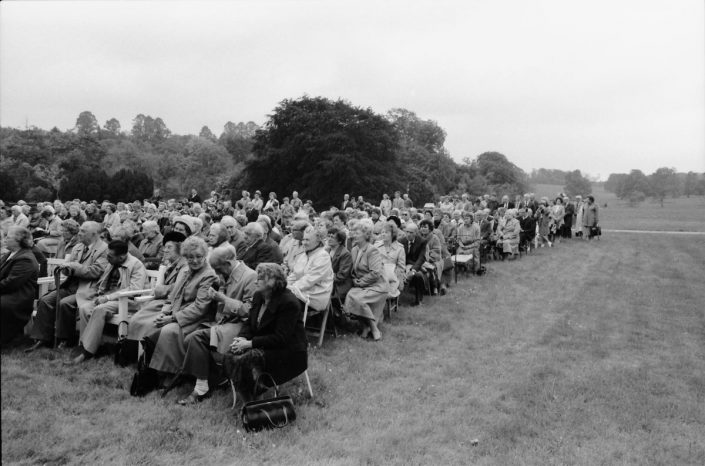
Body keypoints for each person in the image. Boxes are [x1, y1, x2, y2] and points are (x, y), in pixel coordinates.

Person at [177, 246, 257, 404]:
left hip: (241, 326)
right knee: (188, 335)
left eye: (218, 269)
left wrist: (223, 299)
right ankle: (211, 378)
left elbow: (249, 311)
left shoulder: (250, 276)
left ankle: (201, 387)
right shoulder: (226, 273)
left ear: (228, 263)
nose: (217, 274)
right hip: (223, 322)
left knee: (196, 338)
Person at [223, 263, 308, 403]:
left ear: (272, 281)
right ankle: (249, 400)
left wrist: (249, 344)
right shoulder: (258, 296)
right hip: (265, 343)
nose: (256, 281)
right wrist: (241, 339)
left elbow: (281, 338)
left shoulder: (289, 302)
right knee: (230, 354)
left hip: (288, 350)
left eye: (260, 278)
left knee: (247, 359)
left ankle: (255, 402)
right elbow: (249, 323)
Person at [26, 221, 109, 352]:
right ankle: (42, 338)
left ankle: (64, 339)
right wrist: (66, 268)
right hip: (71, 286)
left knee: (65, 303)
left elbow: (96, 271)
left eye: (82, 231)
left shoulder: (105, 249)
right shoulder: (78, 247)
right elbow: (68, 267)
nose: (79, 233)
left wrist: (74, 267)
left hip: (88, 289)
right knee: (45, 300)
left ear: (94, 234)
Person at [142, 236, 218, 377]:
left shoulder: (209, 275)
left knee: (169, 331)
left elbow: (200, 308)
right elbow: (175, 296)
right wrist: (165, 313)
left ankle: (172, 373)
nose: (194, 261)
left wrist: (172, 319)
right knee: (152, 325)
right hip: (179, 314)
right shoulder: (186, 272)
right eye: (189, 257)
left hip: (199, 319)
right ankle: (152, 369)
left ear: (205, 255)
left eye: (198, 256)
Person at [69, 240, 147, 364]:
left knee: (100, 310)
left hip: (127, 301)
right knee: (85, 308)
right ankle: (87, 345)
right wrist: (100, 294)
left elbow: (135, 289)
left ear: (121, 257)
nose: (107, 257)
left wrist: (107, 298)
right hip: (108, 299)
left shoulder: (136, 265)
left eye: (110, 256)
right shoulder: (113, 262)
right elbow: (104, 282)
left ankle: (87, 352)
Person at [127, 232, 188, 342]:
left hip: (170, 305)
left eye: (169, 247)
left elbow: (177, 288)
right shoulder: (171, 264)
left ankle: (141, 353)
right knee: (136, 319)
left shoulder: (184, 267)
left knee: (148, 323)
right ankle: (131, 350)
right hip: (160, 302)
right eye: (165, 247)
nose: (165, 250)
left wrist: (160, 289)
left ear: (180, 249)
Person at [343, 219, 387, 341]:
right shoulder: (354, 249)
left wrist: (360, 282)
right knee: (351, 296)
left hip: (377, 285)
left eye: (357, 232)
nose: (353, 235)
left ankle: (372, 328)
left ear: (366, 235)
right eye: (353, 232)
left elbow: (375, 273)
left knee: (358, 299)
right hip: (362, 285)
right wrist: (354, 280)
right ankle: (366, 326)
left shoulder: (372, 250)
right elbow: (353, 271)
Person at [1, 227, 39, 346]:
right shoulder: (11, 254)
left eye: (8, 237)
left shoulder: (25, 258)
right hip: (7, 293)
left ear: (19, 241)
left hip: (17, 298)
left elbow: (11, 284)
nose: (4, 239)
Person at [286, 227, 333, 312]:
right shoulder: (305, 254)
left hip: (313, 296)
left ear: (318, 241)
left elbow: (309, 280)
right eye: (303, 239)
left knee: (283, 300)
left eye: (307, 240)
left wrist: (290, 289)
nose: (304, 243)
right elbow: (294, 275)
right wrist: (284, 284)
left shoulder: (323, 256)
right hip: (299, 291)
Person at [399, 223, 430, 305]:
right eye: (407, 232)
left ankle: (418, 300)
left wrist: (413, 270)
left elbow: (421, 258)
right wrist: (403, 268)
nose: (408, 234)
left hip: (417, 265)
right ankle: (395, 299)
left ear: (416, 233)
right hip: (403, 264)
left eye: (411, 232)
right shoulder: (401, 241)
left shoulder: (422, 241)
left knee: (418, 276)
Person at [374, 222, 405, 297]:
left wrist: (394, 276)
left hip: (393, 277)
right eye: (382, 232)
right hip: (378, 276)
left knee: (388, 292)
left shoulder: (400, 248)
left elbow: (401, 267)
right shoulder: (376, 246)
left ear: (392, 234)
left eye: (386, 232)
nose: (383, 234)